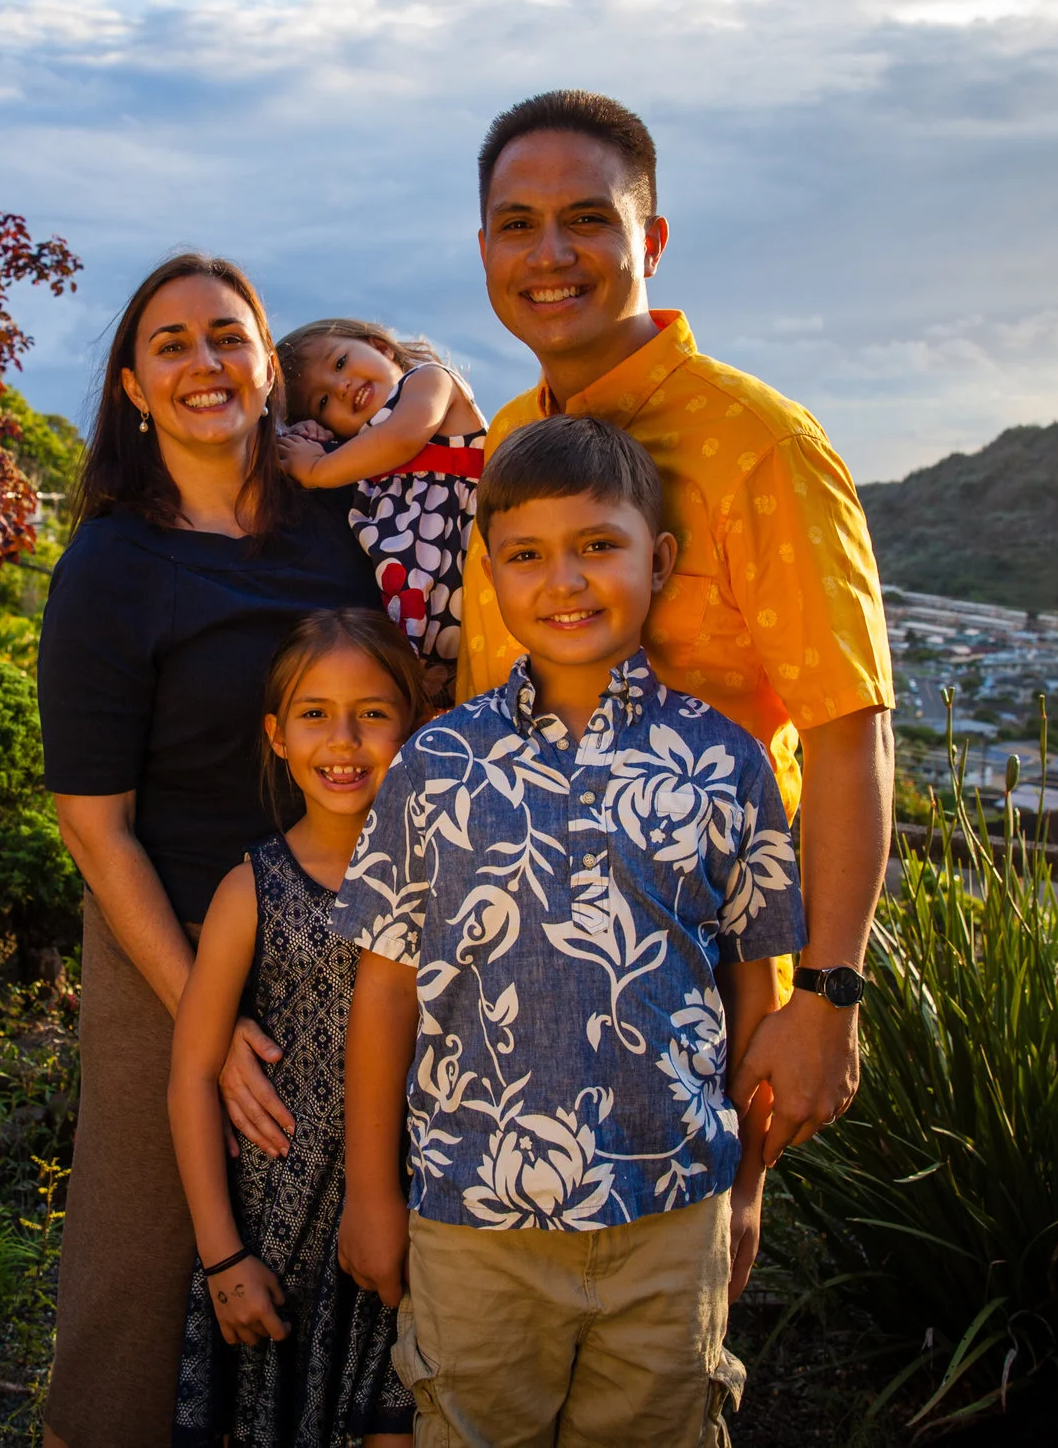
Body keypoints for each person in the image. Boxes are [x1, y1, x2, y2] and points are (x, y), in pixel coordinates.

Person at [332, 415, 799, 1446]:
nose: (565, 581)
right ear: (489, 571)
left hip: (670, 1213)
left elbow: (753, 993)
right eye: (529, 555)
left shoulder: (724, 763)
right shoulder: (435, 764)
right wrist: (373, 1192)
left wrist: (748, 1190)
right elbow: (383, 986)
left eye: (598, 545)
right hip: (470, 1218)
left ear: (658, 558)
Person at [455, 88, 895, 1175]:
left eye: (587, 219)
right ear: (482, 249)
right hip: (505, 988)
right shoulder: (511, 438)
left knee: (668, 1327)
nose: (548, 252)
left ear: (647, 239)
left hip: (697, 987)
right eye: (517, 224)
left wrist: (832, 997)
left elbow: (849, 728)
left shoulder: (758, 445)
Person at [39, 255, 382, 1448]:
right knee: (145, 1275)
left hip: (348, 937)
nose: (203, 364)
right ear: (133, 385)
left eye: (227, 337)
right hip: (169, 938)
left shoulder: (341, 525)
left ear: (268, 360)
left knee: (334, 1265)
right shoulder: (111, 567)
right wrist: (203, 1017)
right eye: (171, 344)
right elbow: (95, 822)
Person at [170, 608, 426, 1448]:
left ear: (414, 724)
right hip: (278, 1242)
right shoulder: (253, 889)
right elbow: (192, 1076)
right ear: (278, 736)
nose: (344, 739)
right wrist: (221, 1257)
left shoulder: (451, 879)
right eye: (315, 713)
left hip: (418, 1227)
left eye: (373, 713)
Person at [274, 320, 488, 703]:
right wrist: (310, 436)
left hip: (489, 604)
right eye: (323, 403)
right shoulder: (368, 474)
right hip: (436, 664)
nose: (340, 387)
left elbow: (404, 435)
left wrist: (318, 467)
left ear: (381, 347)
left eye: (340, 363)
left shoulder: (428, 383)